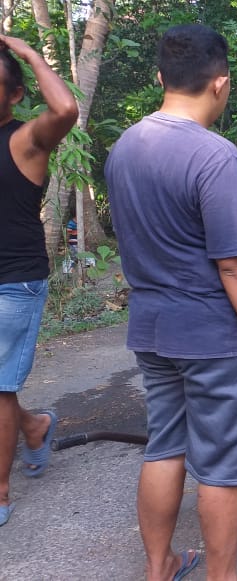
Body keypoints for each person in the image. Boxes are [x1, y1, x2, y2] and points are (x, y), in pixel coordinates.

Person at [105, 24, 237, 581]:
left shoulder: (123, 149)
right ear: (220, 83)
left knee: (165, 446)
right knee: (223, 466)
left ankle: (159, 566)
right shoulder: (215, 156)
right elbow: (236, 264)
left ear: (161, 78)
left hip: (152, 330)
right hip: (213, 338)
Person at [0, 34, 78, 527]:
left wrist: (28, 53)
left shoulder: (24, 140)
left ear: (14, 94)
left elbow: (66, 109)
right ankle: (34, 426)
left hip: (14, 281)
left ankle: (0, 493)